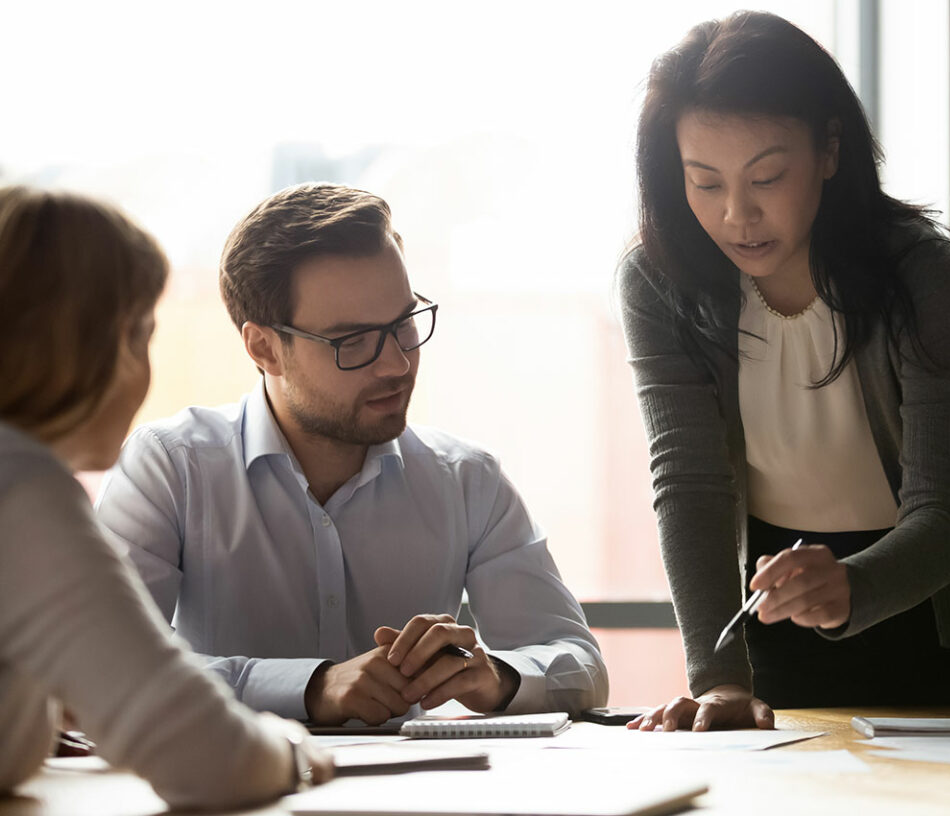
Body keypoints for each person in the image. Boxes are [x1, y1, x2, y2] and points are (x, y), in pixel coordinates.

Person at [620, 11, 950, 732]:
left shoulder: (925, 277)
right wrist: (717, 679)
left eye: (767, 177)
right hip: (783, 617)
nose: (738, 215)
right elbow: (688, 484)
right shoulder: (660, 283)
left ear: (831, 150)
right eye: (705, 183)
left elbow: (943, 513)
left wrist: (852, 585)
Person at [96, 183, 607, 726]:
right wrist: (310, 687)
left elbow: (580, 665)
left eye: (403, 324)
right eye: (354, 341)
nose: (396, 364)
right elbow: (103, 668)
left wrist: (497, 676)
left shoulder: (467, 480)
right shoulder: (172, 468)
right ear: (264, 348)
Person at [0, 186, 332, 807]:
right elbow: (213, 760)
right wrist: (295, 750)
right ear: (108, 341)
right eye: (145, 334)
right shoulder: (21, 494)